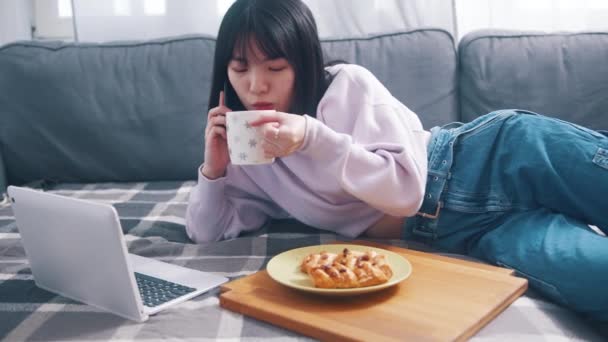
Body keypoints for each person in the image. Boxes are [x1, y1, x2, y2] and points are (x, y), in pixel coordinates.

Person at [186, 0, 608, 335]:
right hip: (471, 232)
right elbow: (205, 232)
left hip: (493, 156)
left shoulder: (346, 87)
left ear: (303, 63)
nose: (256, 85)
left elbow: (406, 192)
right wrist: (214, 169)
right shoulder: (249, 158)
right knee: (597, 277)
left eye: (275, 68)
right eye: (240, 68)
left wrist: (312, 138)